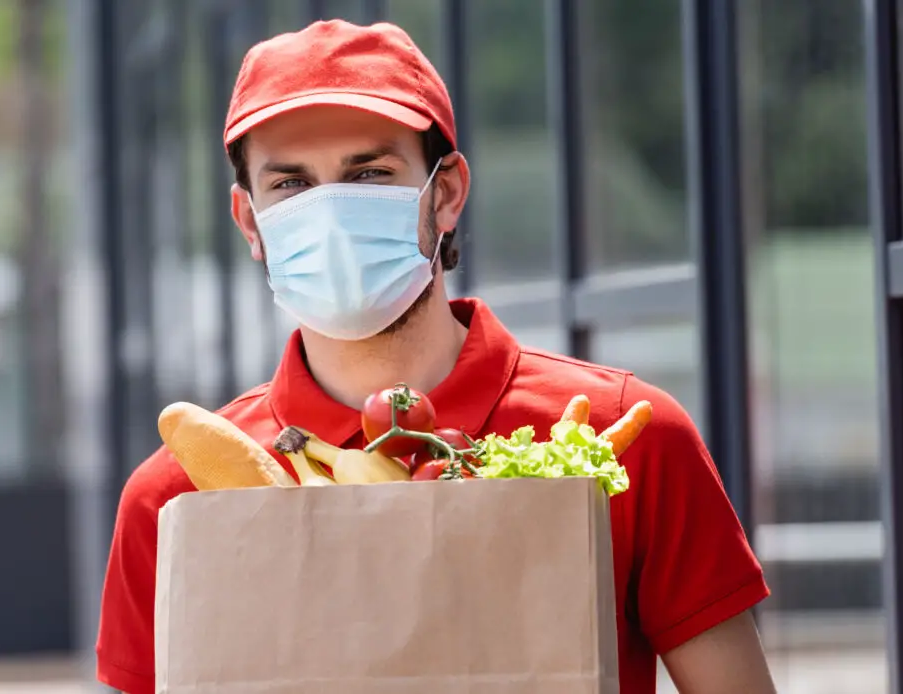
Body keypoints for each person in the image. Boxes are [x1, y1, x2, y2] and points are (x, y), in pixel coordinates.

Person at [95, 18, 776, 694]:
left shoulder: (622, 438)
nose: (330, 217)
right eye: (291, 186)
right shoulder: (177, 500)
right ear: (249, 221)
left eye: (369, 173)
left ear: (445, 194)